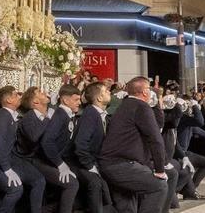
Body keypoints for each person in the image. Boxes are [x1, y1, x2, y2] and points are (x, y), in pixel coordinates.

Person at [98, 76, 167, 213]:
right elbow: (156, 139)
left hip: (110, 165)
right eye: (149, 88)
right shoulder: (141, 107)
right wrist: (160, 169)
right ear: (144, 92)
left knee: (128, 207)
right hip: (122, 165)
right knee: (159, 186)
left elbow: (158, 125)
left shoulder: (125, 105)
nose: (151, 91)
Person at [26, 85, 79, 213]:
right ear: (66, 101)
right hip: (42, 161)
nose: (79, 102)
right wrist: (61, 165)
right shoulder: (60, 115)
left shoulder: (66, 114)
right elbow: (47, 142)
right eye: (76, 99)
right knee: (72, 184)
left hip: (53, 160)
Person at [0, 85, 45, 213]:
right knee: (30, 184)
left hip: (13, 157)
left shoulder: (9, 115)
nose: (19, 97)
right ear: (8, 100)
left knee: (38, 180)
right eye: (16, 95)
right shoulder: (3, 116)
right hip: (7, 160)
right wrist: (7, 169)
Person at [73, 82, 114, 213]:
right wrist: (90, 166)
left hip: (99, 160)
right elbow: (80, 145)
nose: (109, 92)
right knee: (96, 183)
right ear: (99, 98)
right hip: (83, 163)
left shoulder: (103, 115)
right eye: (106, 90)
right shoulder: (90, 114)